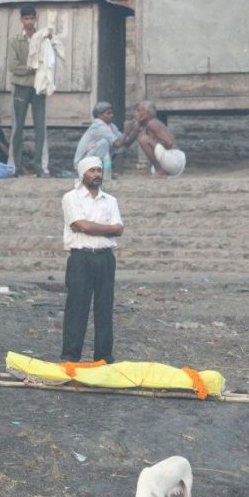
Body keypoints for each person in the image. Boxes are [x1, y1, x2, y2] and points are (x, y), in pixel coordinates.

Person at [61, 156, 124, 364]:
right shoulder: (71, 197)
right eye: (92, 171)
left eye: (99, 170)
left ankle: (104, 356)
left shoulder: (110, 200)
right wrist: (108, 230)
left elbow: (119, 229)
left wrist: (91, 227)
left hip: (105, 257)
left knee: (104, 307)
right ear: (83, 174)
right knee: (77, 306)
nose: (97, 174)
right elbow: (81, 226)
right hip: (81, 257)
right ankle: (71, 355)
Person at [8, 4, 54, 177]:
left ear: (36, 18)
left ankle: (40, 166)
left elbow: (49, 60)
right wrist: (33, 67)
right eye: (25, 18)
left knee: (40, 127)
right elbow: (13, 66)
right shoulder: (15, 40)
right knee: (18, 127)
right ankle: (15, 166)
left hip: (38, 87)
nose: (29, 22)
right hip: (20, 87)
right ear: (21, 20)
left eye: (31, 18)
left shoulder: (42, 38)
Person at [73, 101, 140, 170]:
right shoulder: (98, 125)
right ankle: (100, 171)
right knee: (104, 142)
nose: (112, 115)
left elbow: (125, 143)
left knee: (120, 147)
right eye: (108, 113)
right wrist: (126, 132)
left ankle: (107, 170)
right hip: (82, 164)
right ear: (99, 115)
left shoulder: (110, 125)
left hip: (90, 159)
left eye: (111, 113)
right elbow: (117, 143)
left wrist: (136, 131)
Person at [133, 100, 185, 178]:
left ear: (147, 113)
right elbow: (126, 143)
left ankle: (160, 171)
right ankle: (161, 171)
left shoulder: (152, 123)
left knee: (144, 139)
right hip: (173, 163)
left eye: (139, 111)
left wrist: (153, 143)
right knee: (152, 168)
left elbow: (169, 143)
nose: (135, 114)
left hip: (175, 160)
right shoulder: (147, 124)